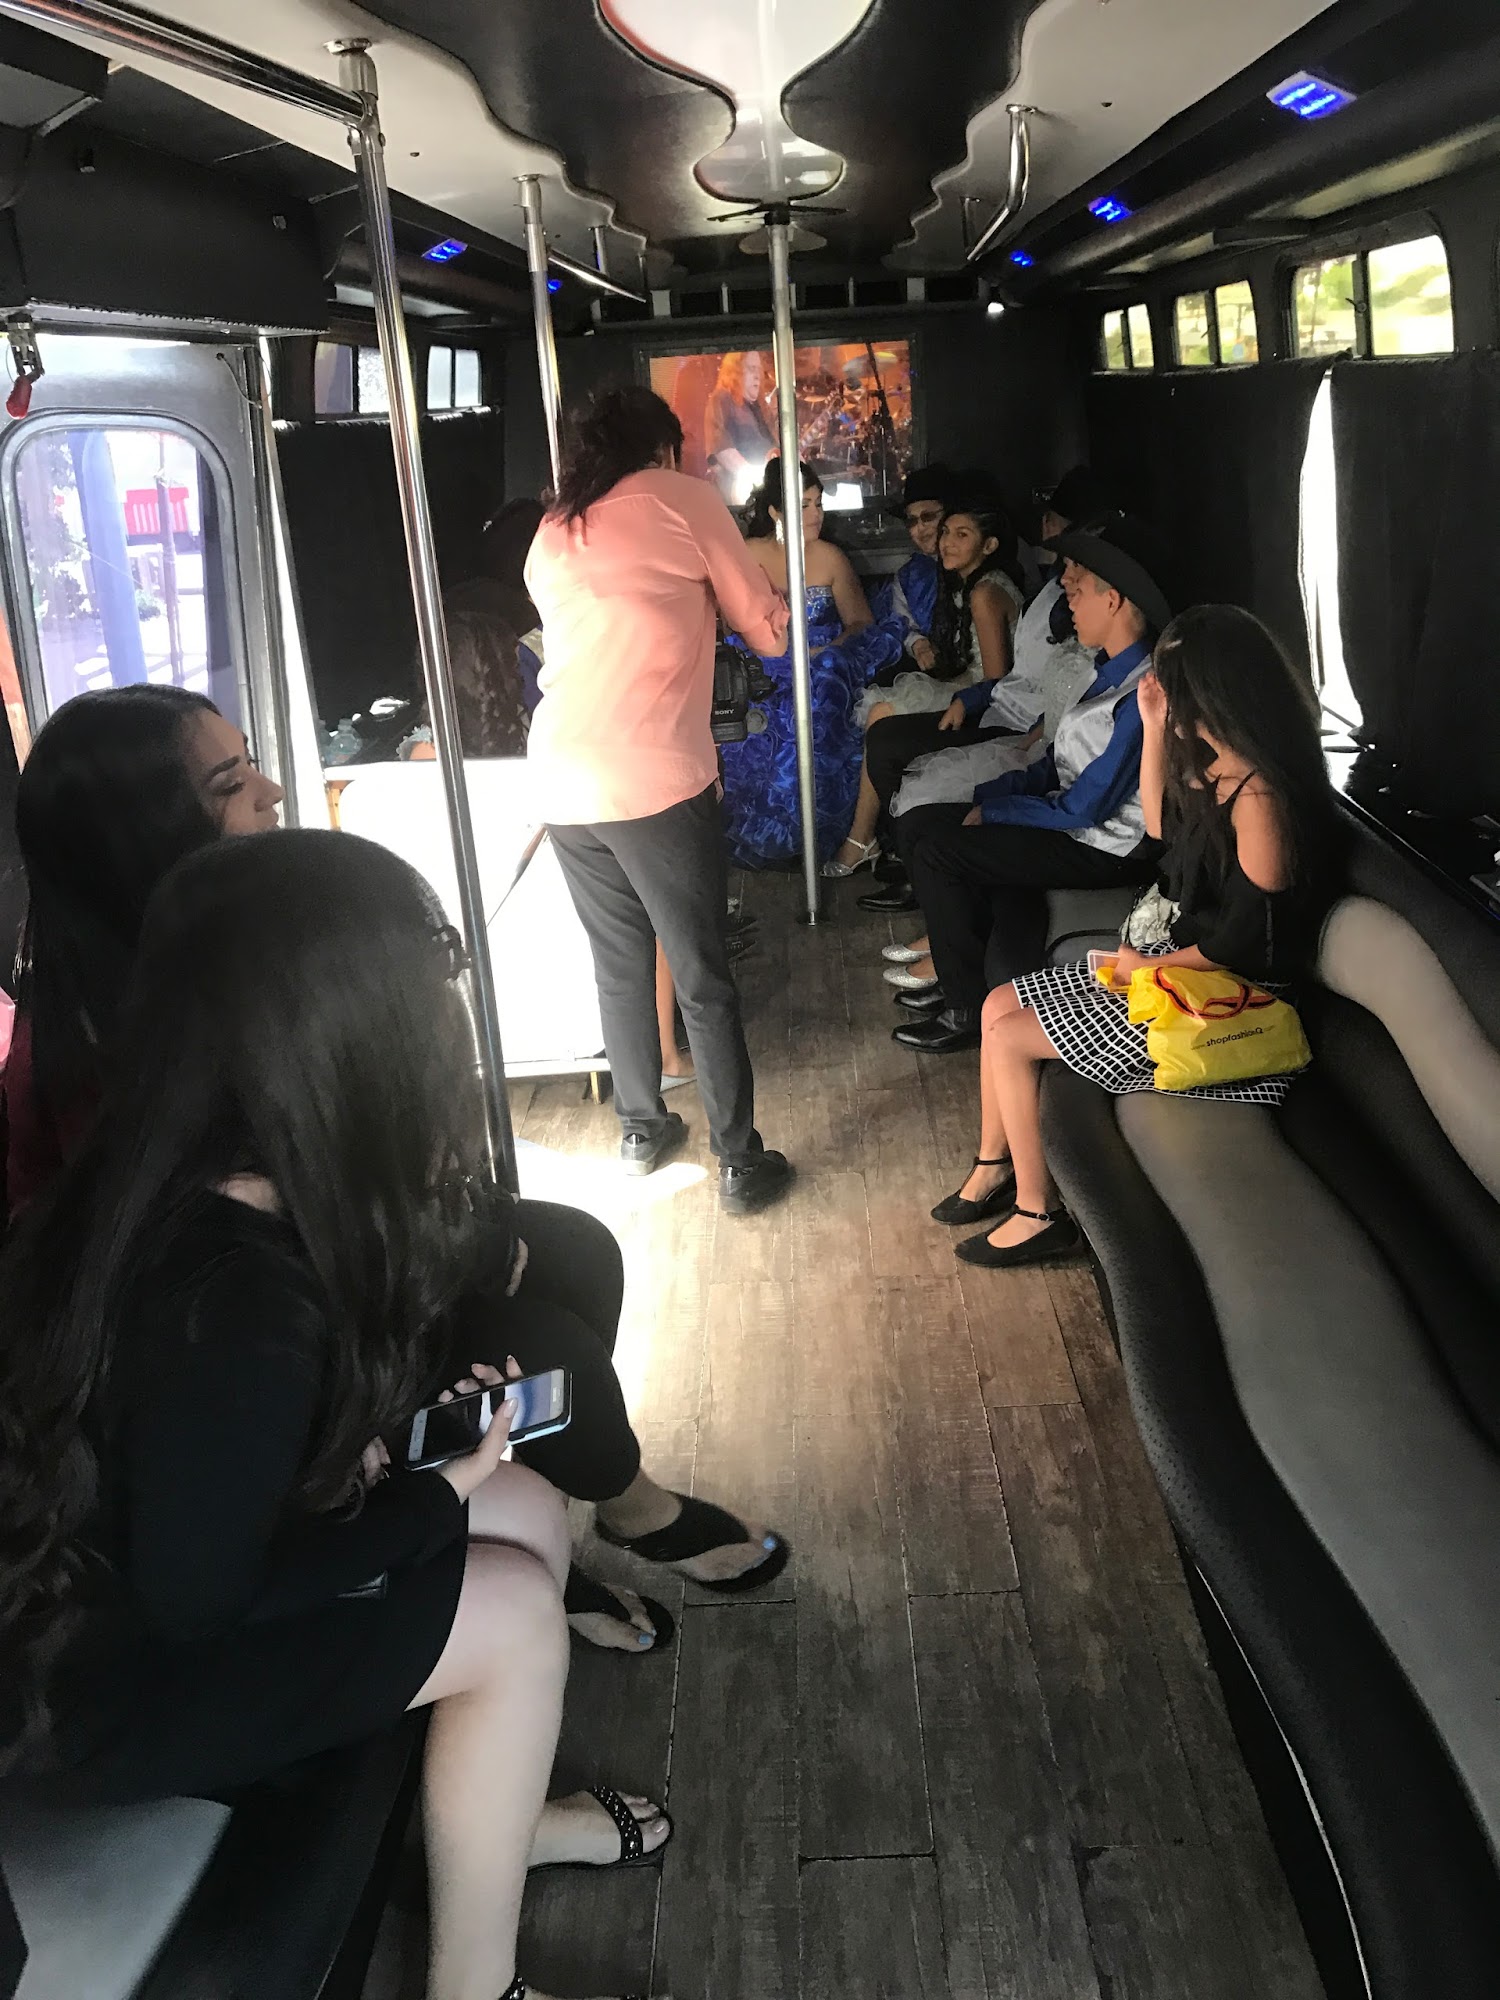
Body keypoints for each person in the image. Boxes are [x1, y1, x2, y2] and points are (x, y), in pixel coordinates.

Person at [0, 829, 667, 2000]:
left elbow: (187, 1466)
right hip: (97, 1692)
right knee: (514, 1610)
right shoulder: (235, 1297)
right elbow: (198, 1598)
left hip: (111, 1601)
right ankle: (476, 1986)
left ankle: (498, 1819)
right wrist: (422, 1498)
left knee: (524, 1505)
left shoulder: (172, 1178)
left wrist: (376, 1459)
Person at [4, 685, 789, 1649]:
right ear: (142, 834)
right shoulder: (119, 1048)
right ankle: (609, 1512)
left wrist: (461, 1226)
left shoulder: (235, 947)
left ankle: (519, 1511)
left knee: (578, 1252)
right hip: (254, 1365)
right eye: (229, 783)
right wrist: (454, 1253)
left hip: (332, 1269)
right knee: (552, 1353)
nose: (271, 791)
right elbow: (255, 1259)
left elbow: (355, 1162)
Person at [932, 603, 1341, 1267]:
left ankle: (1039, 1213)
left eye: (1172, 688)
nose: (1164, 696)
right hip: (1182, 973)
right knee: (997, 1004)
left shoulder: (1262, 798)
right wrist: (1152, 726)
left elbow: (1247, 940)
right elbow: (1157, 829)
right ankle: (994, 1163)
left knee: (1009, 1036)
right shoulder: (1221, 768)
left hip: (1232, 1002)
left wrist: (1147, 968)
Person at [525, 385, 794, 1214]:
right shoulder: (683, 499)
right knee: (702, 972)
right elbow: (768, 633)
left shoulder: (554, 528)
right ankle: (739, 1161)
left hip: (563, 776)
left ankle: (640, 1130)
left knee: (619, 963)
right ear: (666, 448)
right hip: (655, 777)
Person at [893, 515, 1175, 1053]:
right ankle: (959, 972)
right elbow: (1060, 757)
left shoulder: (1143, 691)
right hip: (1070, 819)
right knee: (919, 823)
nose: (1069, 598)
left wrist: (998, 811)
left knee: (939, 852)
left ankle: (965, 1009)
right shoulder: (1104, 669)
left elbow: (1087, 807)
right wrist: (991, 794)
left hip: (1105, 847)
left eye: (1080, 590)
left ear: (1113, 600)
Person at [823, 490, 1024, 877]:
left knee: (881, 712)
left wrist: (960, 698)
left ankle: (865, 838)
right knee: (878, 708)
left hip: (990, 700)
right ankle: (874, 835)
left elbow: (995, 680)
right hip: (964, 681)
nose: (947, 542)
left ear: (989, 545)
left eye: (961, 535)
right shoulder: (961, 584)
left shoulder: (985, 593)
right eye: (946, 532)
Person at [720, 456, 903, 868]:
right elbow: (732, 624)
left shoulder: (830, 557)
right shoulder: (746, 555)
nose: (816, 514)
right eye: (804, 505)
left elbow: (860, 622)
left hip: (821, 663)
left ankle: (825, 834)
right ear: (775, 511)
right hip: (762, 662)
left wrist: (826, 649)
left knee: (825, 688)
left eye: (819, 504)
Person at [703, 350, 776, 505]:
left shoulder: (761, 408)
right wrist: (758, 479)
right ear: (735, 371)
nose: (757, 375)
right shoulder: (722, 398)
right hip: (741, 494)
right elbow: (721, 448)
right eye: (751, 368)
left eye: (759, 369)